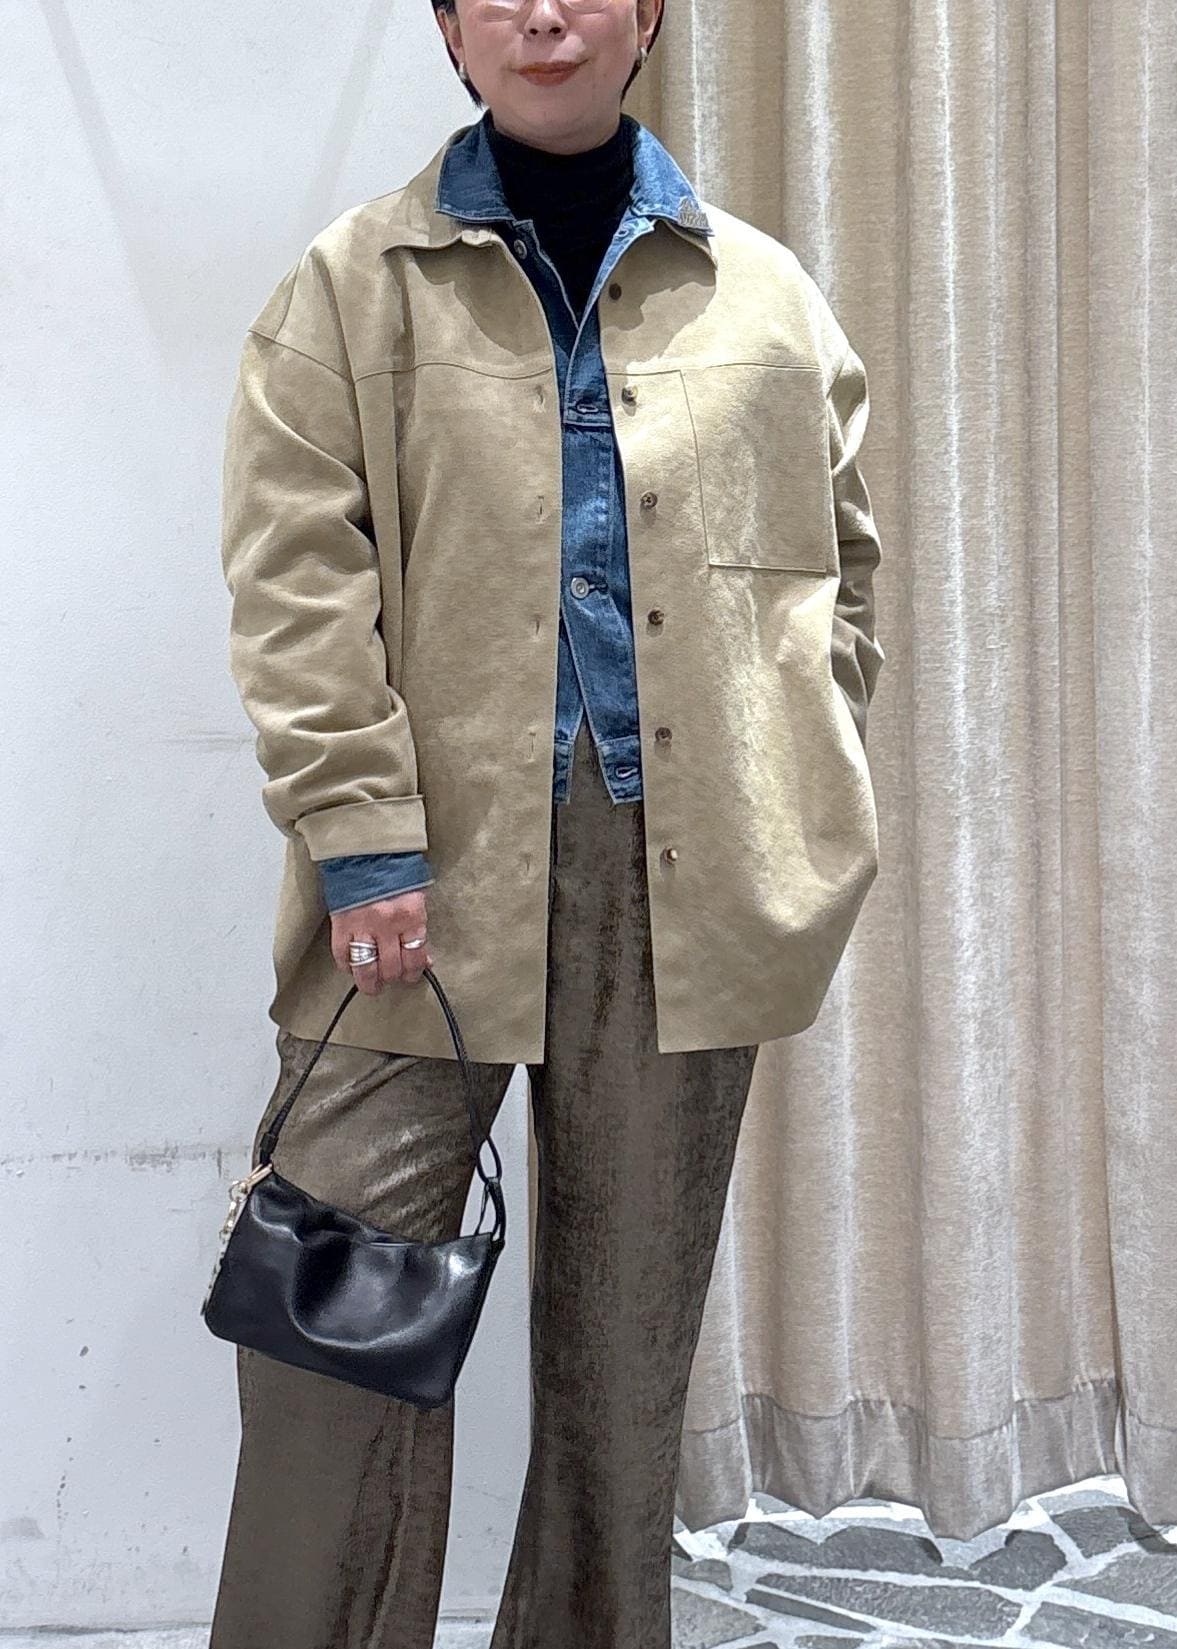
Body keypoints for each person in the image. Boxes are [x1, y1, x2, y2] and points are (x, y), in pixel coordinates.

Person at [208, 0, 885, 1644]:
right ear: (452, 35)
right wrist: (364, 833)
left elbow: (838, 574)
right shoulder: (351, 288)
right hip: (418, 881)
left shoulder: (762, 294)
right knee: (333, 1326)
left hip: (686, 884)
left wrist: (789, 772)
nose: (544, 15)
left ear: (643, 17)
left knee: (623, 1350)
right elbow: (297, 584)